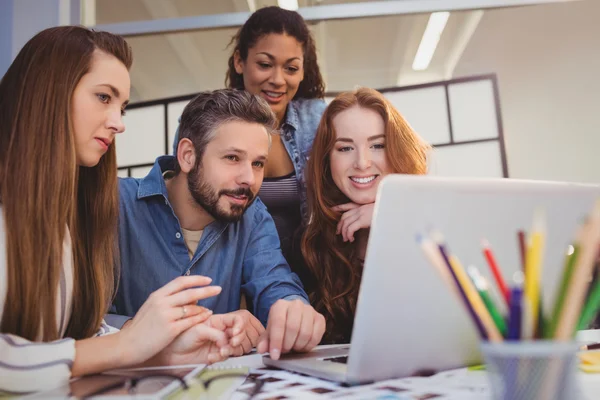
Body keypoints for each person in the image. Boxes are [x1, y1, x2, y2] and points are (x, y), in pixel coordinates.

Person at [0, 26, 241, 395]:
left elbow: (71, 336)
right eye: (103, 97)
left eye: (122, 106)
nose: (119, 122)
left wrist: (158, 351)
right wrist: (126, 345)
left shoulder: (66, 220)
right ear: (47, 92)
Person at [114, 89, 325, 361]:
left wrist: (293, 312)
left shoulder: (253, 216)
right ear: (188, 155)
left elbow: (274, 282)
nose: (249, 178)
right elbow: (84, 323)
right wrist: (147, 333)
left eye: (258, 163)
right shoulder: (117, 205)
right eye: (232, 158)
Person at [174, 7, 327, 264]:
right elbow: (185, 202)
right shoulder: (207, 122)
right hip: (233, 265)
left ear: (303, 71)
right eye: (265, 64)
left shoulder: (319, 120)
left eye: (291, 68)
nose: (278, 80)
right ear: (239, 61)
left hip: (311, 267)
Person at [300, 87, 431, 344]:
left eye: (378, 145)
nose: (362, 162)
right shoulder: (311, 245)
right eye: (345, 148)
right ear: (327, 161)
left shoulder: (430, 225)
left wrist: (390, 215)